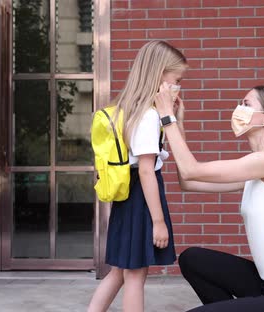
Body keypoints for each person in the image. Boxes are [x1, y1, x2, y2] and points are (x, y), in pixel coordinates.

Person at [154, 84, 264, 312]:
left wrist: (167, 117)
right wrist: (179, 123)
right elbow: (189, 182)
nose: (238, 109)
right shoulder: (257, 170)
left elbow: (191, 170)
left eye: (246, 104)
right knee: (193, 259)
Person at [88, 40, 187, 312]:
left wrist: (174, 114)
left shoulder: (134, 110)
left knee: (120, 271)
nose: (178, 86)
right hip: (141, 199)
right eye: (176, 79)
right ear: (160, 76)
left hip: (132, 197)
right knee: (134, 274)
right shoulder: (148, 116)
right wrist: (158, 222)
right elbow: (146, 170)